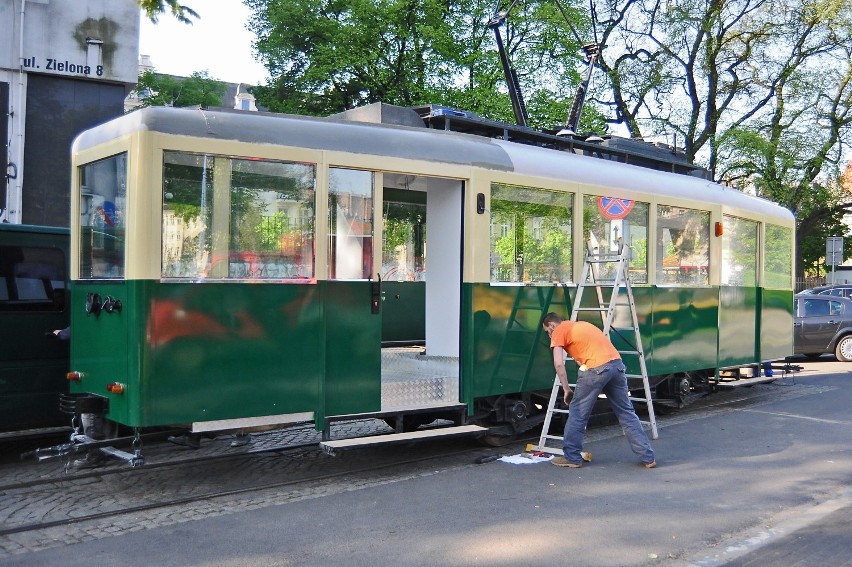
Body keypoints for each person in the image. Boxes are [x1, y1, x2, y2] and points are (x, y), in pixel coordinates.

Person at [541, 312, 656, 469]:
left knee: (578, 414)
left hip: (595, 369)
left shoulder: (559, 331)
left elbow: (559, 363)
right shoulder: (582, 325)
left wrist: (566, 388)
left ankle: (573, 458)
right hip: (616, 365)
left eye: (548, 331)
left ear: (552, 325)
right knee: (626, 413)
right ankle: (648, 458)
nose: (549, 335)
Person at [53, 327, 117, 468]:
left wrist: (62, 333)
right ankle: (108, 449)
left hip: (96, 364)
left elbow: (83, 325)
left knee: (90, 411)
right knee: (108, 406)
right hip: (111, 361)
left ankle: (96, 454)